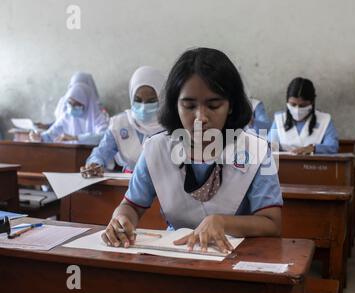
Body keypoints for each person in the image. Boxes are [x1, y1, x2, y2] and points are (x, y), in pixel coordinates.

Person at [101, 48, 282, 253]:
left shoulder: (259, 151)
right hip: (176, 255)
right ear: (174, 105)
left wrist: (222, 223)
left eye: (214, 105)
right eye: (188, 106)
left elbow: (272, 223)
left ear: (231, 106)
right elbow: (131, 206)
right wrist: (121, 219)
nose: (200, 117)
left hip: (236, 257)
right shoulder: (156, 149)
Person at [82, 66, 165, 175]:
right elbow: (102, 152)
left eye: (151, 101)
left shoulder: (171, 124)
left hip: (163, 184)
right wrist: (95, 163)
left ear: (162, 97)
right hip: (127, 183)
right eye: (138, 100)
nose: (143, 106)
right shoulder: (120, 123)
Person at [268, 77, 339, 155]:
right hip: (284, 165)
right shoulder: (279, 119)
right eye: (293, 104)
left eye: (303, 106)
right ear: (287, 101)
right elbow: (270, 145)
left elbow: (332, 147)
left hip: (313, 165)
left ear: (312, 102)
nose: (297, 109)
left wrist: (313, 148)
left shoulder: (324, 120)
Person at [29, 82, 108, 144]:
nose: (72, 107)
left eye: (76, 104)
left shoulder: (99, 117)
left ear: (86, 103)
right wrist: (39, 137)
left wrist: (76, 138)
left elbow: (103, 136)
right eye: (70, 103)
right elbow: (51, 134)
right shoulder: (66, 117)